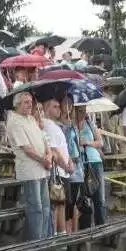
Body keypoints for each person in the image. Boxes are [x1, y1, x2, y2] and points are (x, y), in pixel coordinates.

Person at [6, 92, 51, 241]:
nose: (30, 104)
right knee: (36, 208)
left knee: (45, 206)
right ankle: (35, 244)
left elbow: (44, 138)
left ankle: (43, 240)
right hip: (30, 170)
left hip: (43, 168)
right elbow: (27, 148)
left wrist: (49, 154)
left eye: (31, 102)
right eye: (26, 102)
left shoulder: (31, 118)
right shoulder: (14, 121)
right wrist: (43, 159)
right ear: (17, 105)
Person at [43, 99, 74, 235]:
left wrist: (70, 161)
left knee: (62, 204)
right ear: (46, 108)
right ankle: (55, 234)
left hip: (64, 169)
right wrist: (65, 165)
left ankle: (61, 233)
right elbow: (54, 149)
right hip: (58, 170)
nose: (58, 109)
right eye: (54, 107)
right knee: (56, 204)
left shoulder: (56, 125)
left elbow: (64, 148)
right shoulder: (47, 125)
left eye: (58, 106)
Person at [76, 105, 106, 226]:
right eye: (80, 111)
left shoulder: (90, 124)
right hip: (81, 163)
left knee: (100, 198)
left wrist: (87, 142)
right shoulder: (72, 125)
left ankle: (101, 227)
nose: (83, 113)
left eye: (84, 110)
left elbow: (100, 142)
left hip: (94, 161)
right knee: (83, 199)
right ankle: (85, 228)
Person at [60, 96, 84, 233]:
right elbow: (65, 144)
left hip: (78, 164)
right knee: (69, 201)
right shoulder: (61, 125)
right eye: (65, 103)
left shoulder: (73, 124)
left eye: (70, 104)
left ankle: (74, 231)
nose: (68, 106)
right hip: (68, 164)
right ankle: (67, 231)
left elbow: (76, 143)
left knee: (76, 200)